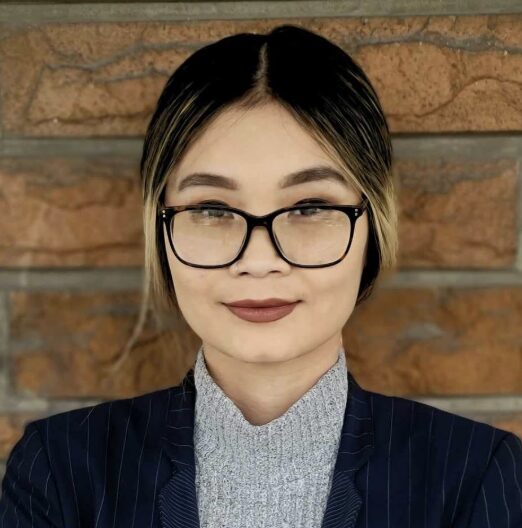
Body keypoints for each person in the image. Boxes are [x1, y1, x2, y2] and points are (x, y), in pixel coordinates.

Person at [0, 23, 520, 528]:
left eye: (310, 206)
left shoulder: (476, 476)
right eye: (211, 209)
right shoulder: (60, 472)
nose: (259, 259)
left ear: (373, 226)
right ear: (159, 228)